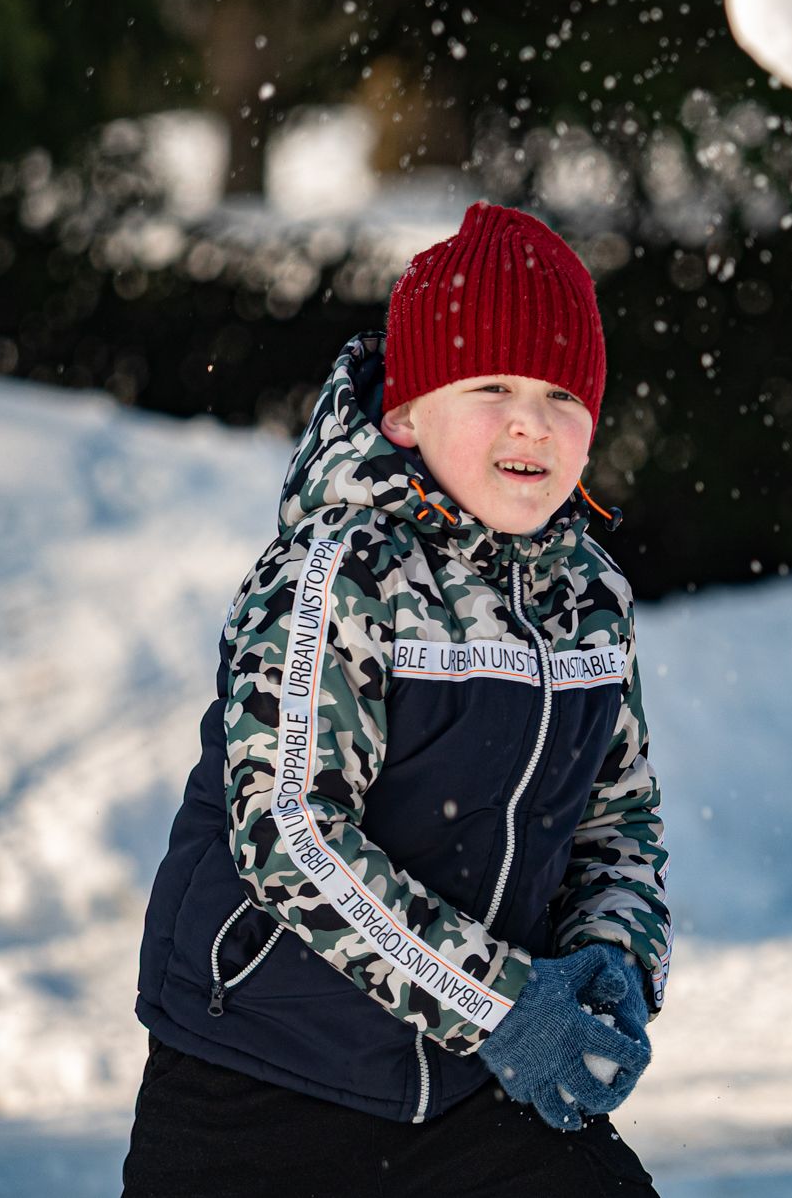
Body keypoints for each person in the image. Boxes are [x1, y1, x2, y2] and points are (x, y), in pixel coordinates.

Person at [123, 202, 672, 1197]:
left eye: (561, 393)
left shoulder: (591, 601)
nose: (529, 420)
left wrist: (611, 964)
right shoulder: (344, 574)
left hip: (467, 1097)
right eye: (493, 385)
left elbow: (618, 820)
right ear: (408, 413)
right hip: (262, 1077)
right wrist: (502, 1003)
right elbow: (290, 829)